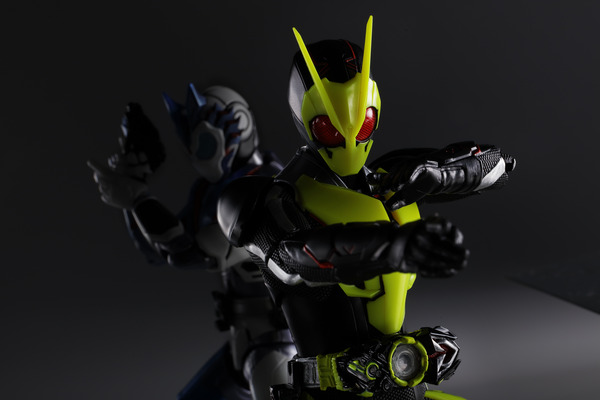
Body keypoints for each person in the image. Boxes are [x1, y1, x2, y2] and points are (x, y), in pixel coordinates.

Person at [217, 17, 515, 400]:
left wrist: (441, 174)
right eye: (329, 129)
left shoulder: (390, 181)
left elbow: (500, 164)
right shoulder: (277, 199)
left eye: (363, 125)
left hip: (401, 384)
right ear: (305, 118)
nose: (348, 141)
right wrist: (393, 247)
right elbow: (294, 257)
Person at [88, 85, 295, 400]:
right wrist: (133, 197)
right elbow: (162, 250)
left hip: (277, 340)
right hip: (241, 341)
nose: (198, 153)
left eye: (204, 141)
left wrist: (138, 199)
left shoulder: (267, 187)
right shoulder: (208, 193)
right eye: (191, 143)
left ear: (238, 124)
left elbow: (191, 252)